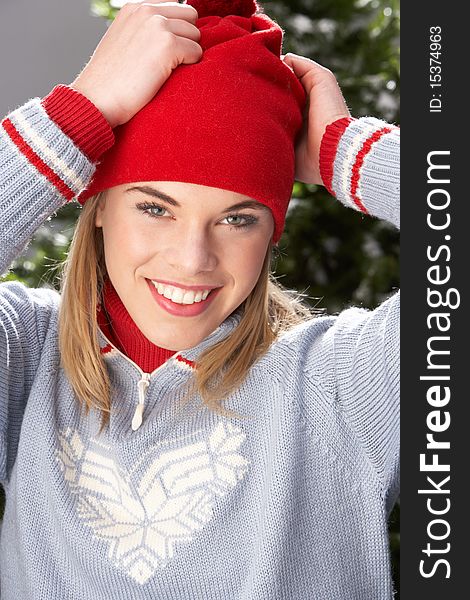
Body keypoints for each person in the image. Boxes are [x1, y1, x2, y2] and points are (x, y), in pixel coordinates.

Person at [0, 0, 400, 598]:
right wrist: (75, 116)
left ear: (271, 231)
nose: (193, 259)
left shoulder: (345, 385)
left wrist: (353, 157)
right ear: (99, 203)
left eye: (238, 218)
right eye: (155, 207)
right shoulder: (27, 363)